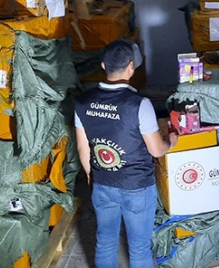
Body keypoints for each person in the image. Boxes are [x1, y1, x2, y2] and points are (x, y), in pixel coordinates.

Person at [75, 38, 177, 268]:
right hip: (137, 187)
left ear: (103, 66)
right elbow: (155, 150)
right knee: (139, 246)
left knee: (105, 240)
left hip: (103, 183)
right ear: (131, 67)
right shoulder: (139, 104)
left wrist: (93, 177)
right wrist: (170, 141)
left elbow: (84, 147)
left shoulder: (83, 102)